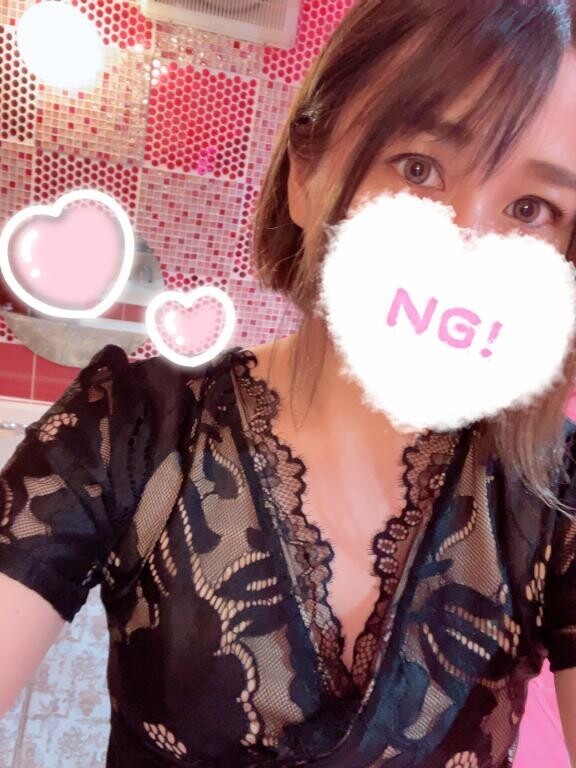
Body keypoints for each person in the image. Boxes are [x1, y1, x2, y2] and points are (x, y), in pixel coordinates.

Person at [1, 1, 576, 765]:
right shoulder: (130, 429)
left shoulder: (555, 493)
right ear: (307, 174)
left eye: (531, 210)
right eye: (418, 168)